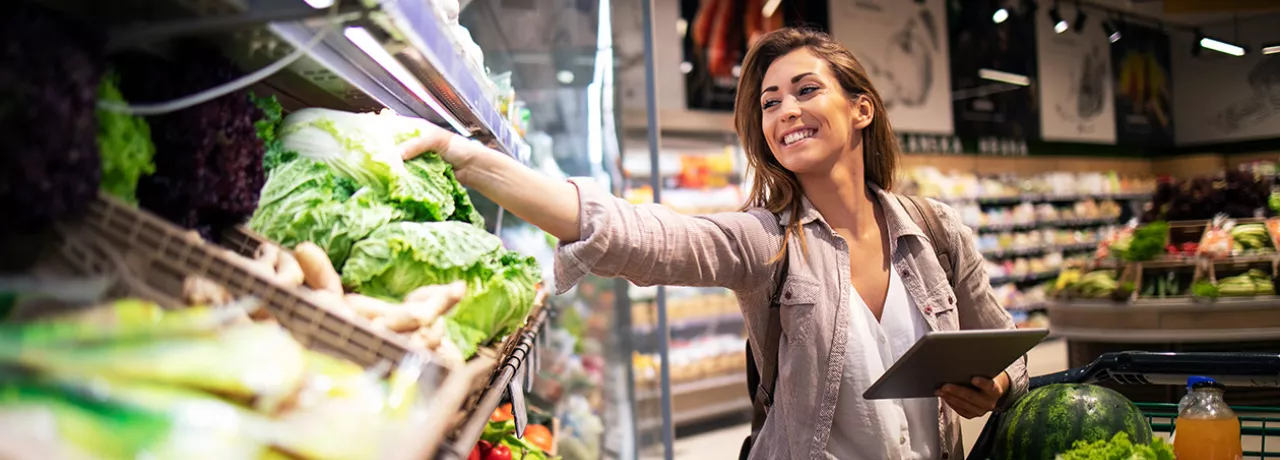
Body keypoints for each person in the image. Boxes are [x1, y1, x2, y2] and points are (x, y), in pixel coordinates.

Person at [398, 27, 1027, 460]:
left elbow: (1011, 353)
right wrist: (465, 157)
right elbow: (638, 236)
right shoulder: (766, 241)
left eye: (806, 90)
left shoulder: (936, 232)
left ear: (861, 110)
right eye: (770, 103)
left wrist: (997, 388)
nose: (785, 110)